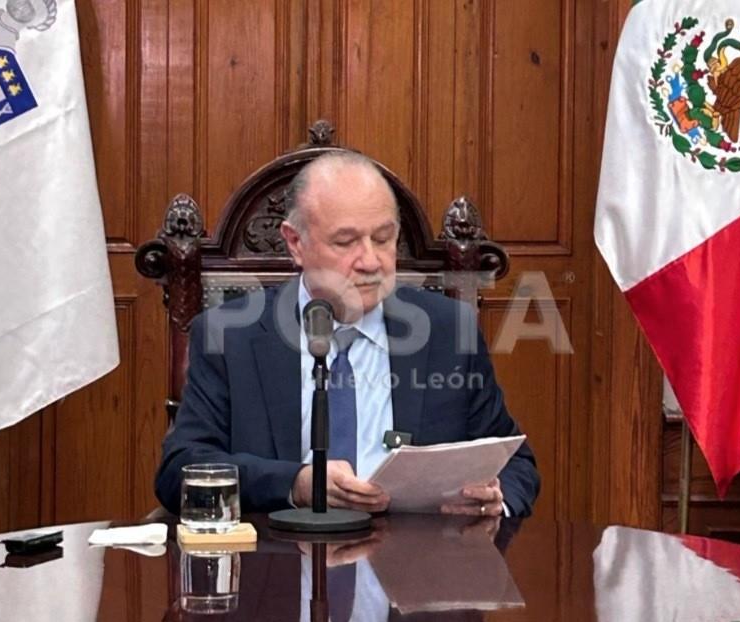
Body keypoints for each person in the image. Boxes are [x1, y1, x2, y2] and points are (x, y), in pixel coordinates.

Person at [154, 151, 539, 517]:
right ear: (295, 243)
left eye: (384, 238)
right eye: (346, 242)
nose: (371, 261)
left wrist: (495, 498)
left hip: (414, 569)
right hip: (279, 567)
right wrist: (297, 484)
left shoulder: (448, 331)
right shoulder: (229, 336)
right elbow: (181, 470)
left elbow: (515, 462)